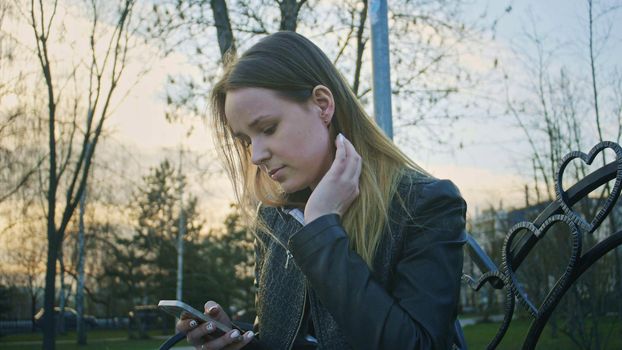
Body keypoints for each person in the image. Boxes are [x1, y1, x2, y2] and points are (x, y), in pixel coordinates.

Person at [177, 31, 467, 350]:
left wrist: (321, 229)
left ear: (322, 105)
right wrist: (240, 345)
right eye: (247, 140)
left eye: (268, 129)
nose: (256, 155)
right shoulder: (275, 217)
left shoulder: (425, 204)